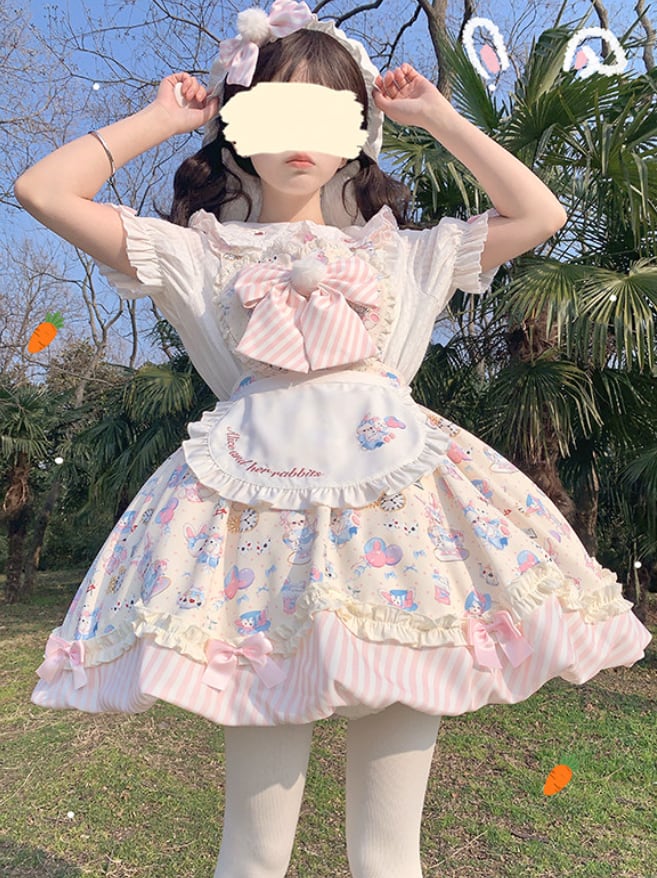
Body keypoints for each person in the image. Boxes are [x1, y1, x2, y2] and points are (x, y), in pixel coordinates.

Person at [15, 2, 652, 877]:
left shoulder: (408, 256)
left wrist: (437, 117)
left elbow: (538, 214)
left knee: (388, 853)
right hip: (256, 565)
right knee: (253, 850)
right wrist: (163, 119)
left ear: (358, 129)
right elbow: (42, 191)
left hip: (402, 551)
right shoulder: (197, 255)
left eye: (327, 113)